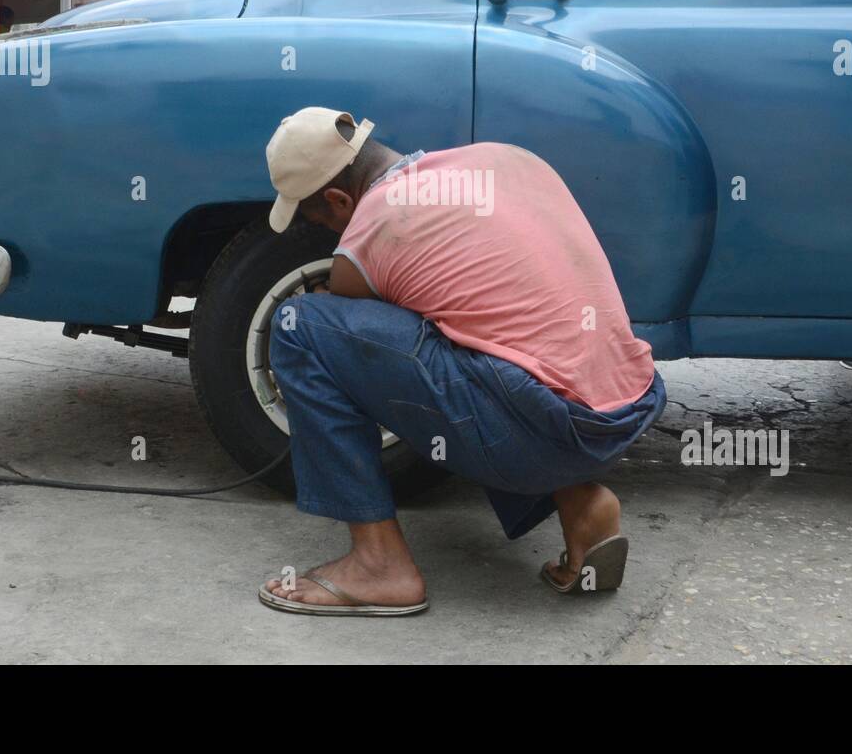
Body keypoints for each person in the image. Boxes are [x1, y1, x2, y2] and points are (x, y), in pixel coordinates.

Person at [257, 107, 665, 616]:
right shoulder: (502, 158)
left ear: (339, 199)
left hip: (541, 430)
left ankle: (379, 565)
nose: (334, 232)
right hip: (624, 412)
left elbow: (363, 336)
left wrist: (329, 291)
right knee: (487, 331)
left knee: (302, 326)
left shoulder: (375, 228)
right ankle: (580, 503)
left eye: (323, 220)